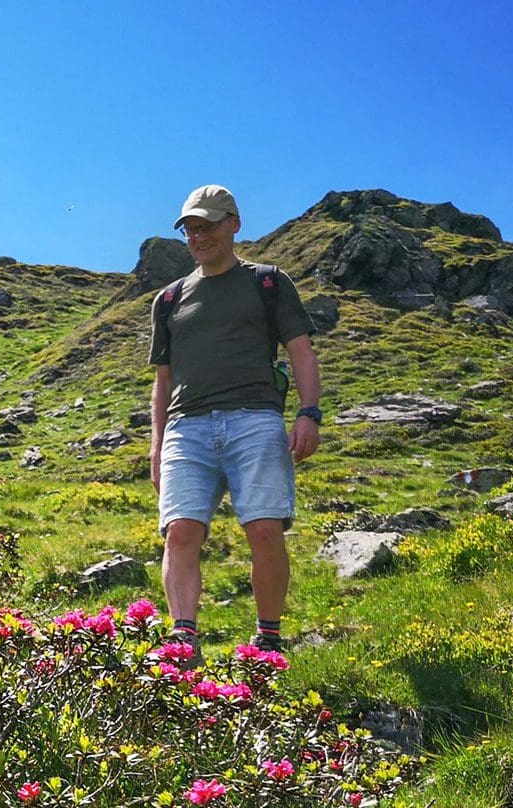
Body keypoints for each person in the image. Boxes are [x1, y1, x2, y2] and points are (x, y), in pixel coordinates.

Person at [148, 184, 322, 657]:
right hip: (187, 427)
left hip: (256, 420)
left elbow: (301, 352)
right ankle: (184, 640)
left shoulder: (267, 282)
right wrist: (157, 444)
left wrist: (308, 413)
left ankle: (268, 639)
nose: (198, 237)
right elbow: (162, 381)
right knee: (180, 531)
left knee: (264, 529)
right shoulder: (168, 300)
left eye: (207, 225)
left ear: (234, 224)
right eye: (190, 229)